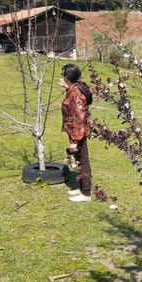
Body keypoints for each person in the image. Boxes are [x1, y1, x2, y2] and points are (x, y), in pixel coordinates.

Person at [60, 63, 93, 202]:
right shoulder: (76, 88)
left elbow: (79, 117)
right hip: (76, 131)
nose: (61, 76)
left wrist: (74, 141)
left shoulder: (75, 93)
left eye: (63, 74)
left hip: (78, 132)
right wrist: (67, 88)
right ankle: (81, 189)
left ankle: (86, 194)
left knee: (83, 162)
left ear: (67, 76)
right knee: (80, 160)